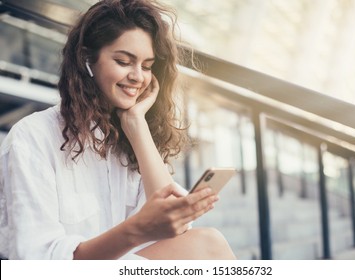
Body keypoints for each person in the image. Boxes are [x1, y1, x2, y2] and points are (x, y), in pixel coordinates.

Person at [0, 0, 236, 260]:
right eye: (124, 61)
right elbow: (37, 262)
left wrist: (137, 125)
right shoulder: (33, 137)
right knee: (208, 244)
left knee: (208, 242)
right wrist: (135, 230)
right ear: (87, 59)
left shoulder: (128, 139)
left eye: (147, 66)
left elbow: (175, 226)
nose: (138, 76)